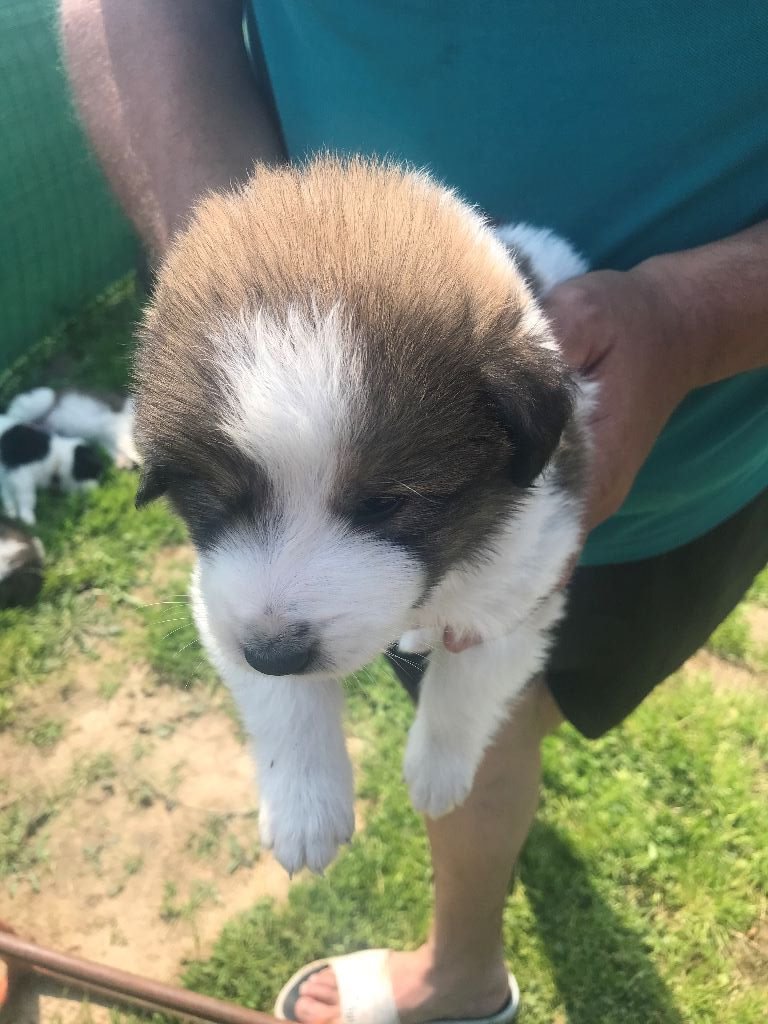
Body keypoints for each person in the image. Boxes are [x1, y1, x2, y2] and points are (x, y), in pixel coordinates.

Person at [61, 3, 768, 1022]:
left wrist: (692, 317)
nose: (275, 609)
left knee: (493, 660)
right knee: (433, 646)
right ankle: (462, 960)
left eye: (383, 506)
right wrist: (299, 761)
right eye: (235, 503)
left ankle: (470, 773)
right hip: (369, 309)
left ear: (527, 437)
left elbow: (509, 607)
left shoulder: (516, 416)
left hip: (680, 441)